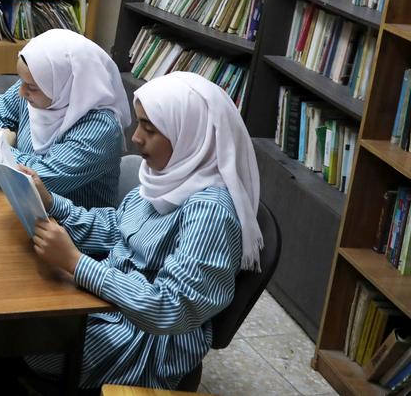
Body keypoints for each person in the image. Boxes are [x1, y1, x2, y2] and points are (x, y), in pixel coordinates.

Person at [23, 71, 262, 390]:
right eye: (139, 124)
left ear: (189, 134)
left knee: (18, 338)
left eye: (150, 129)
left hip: (147, 340)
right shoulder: (164, 177)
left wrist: (77, 264)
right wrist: (52, 203)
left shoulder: (211, 212)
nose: (135, 138)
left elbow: (171, 308)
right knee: (15, 306)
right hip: (116, 302)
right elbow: (115, 229)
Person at [0, 29, 130, 207]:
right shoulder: (33, 90)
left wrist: (0, 147)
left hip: (66, 229)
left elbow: (39, 180)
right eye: (21, 81)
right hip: (22, 206)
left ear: (65, 85)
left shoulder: (101, 130)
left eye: (32, 86)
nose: (21, 92)